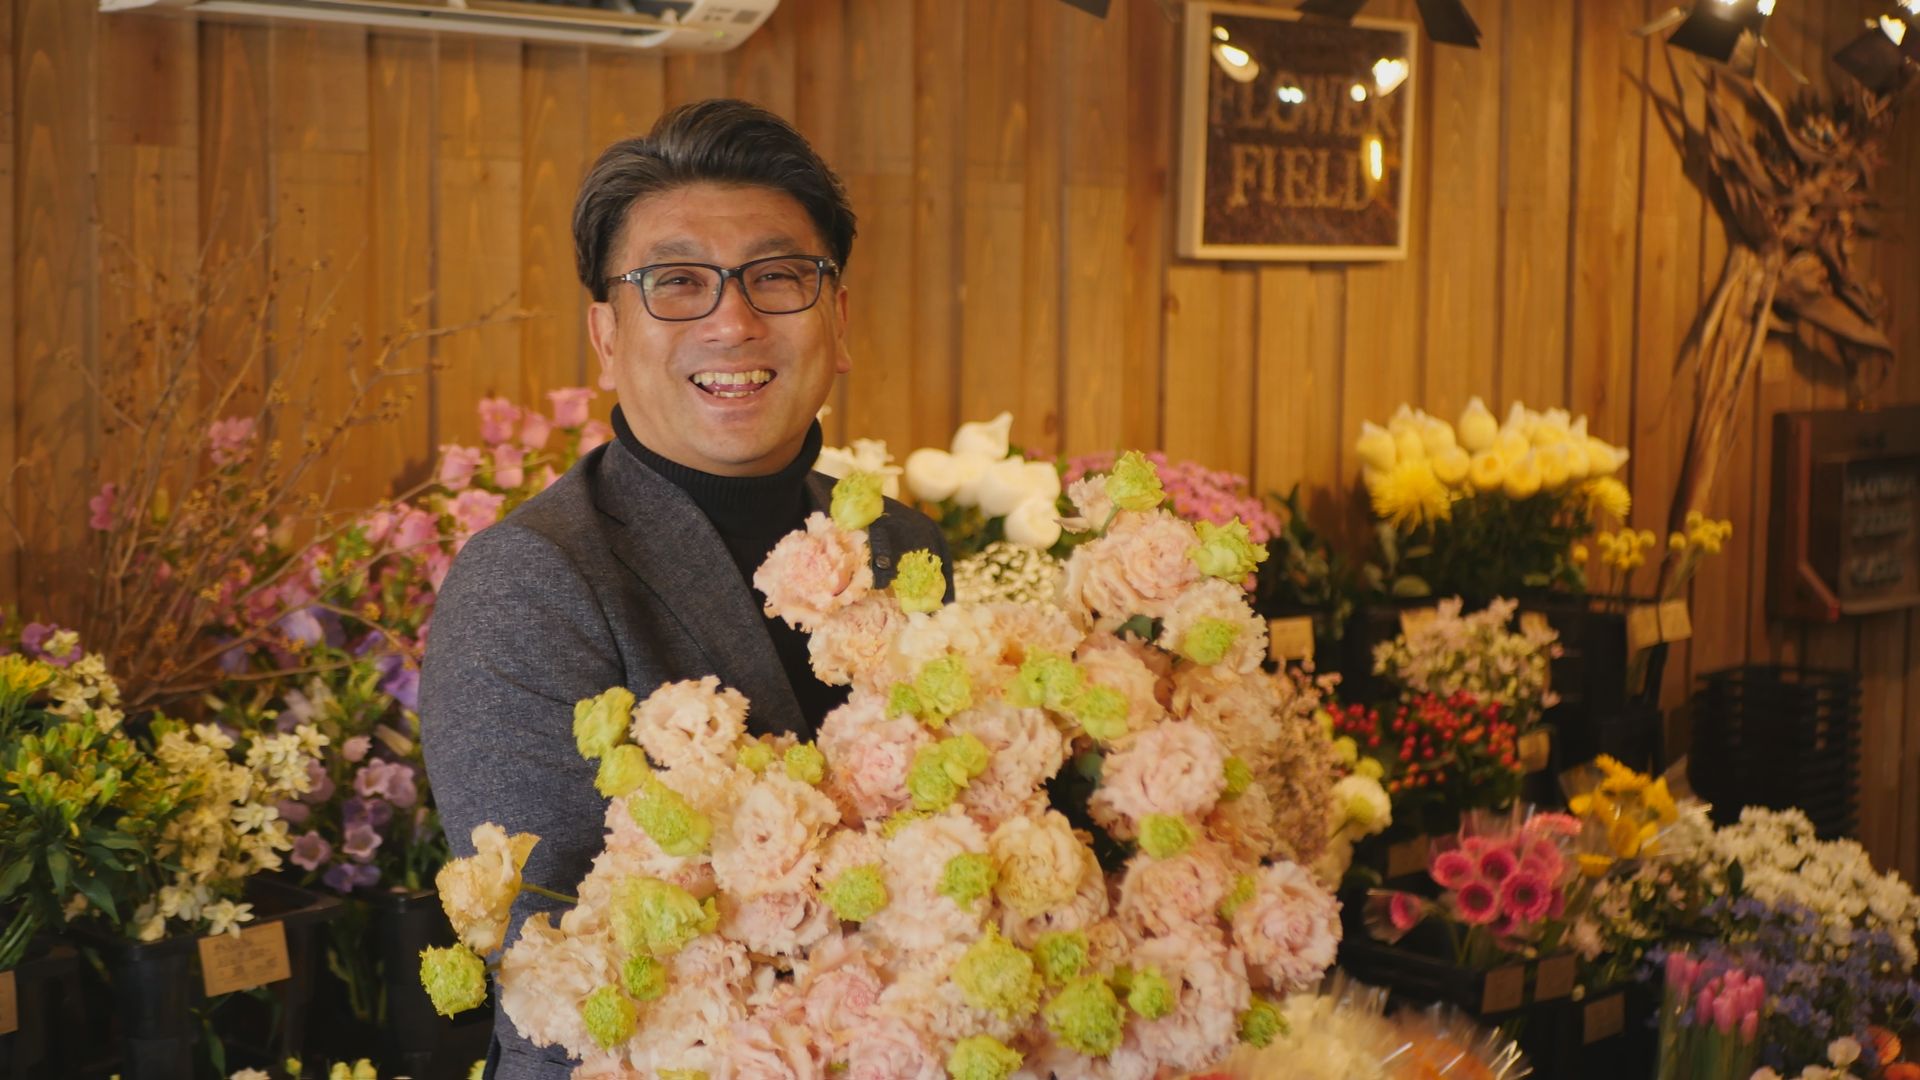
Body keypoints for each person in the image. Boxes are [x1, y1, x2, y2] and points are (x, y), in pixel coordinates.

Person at [420, 98, 950, 1079]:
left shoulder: (903, 547)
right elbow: (558, 977)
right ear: (607, 336)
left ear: (837, 321)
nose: (733, 321)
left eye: (778, 276)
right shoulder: (533, 579)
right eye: (676, 283)